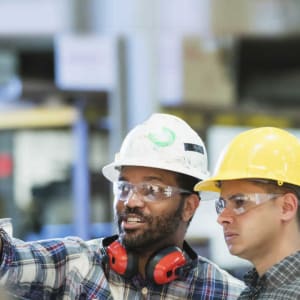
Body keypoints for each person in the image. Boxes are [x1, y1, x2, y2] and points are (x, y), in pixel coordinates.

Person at [0, 113, 244, 299]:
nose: (131, 201)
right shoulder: (76, 265)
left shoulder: (224, 292)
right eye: (124, 187)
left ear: (189, 206)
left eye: (152, 190)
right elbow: (9, 260)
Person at [195, 126, 300, 299]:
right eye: (222, 204)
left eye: (240, 202)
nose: (222, 218)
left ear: (286, 207)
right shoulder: (250, 294)